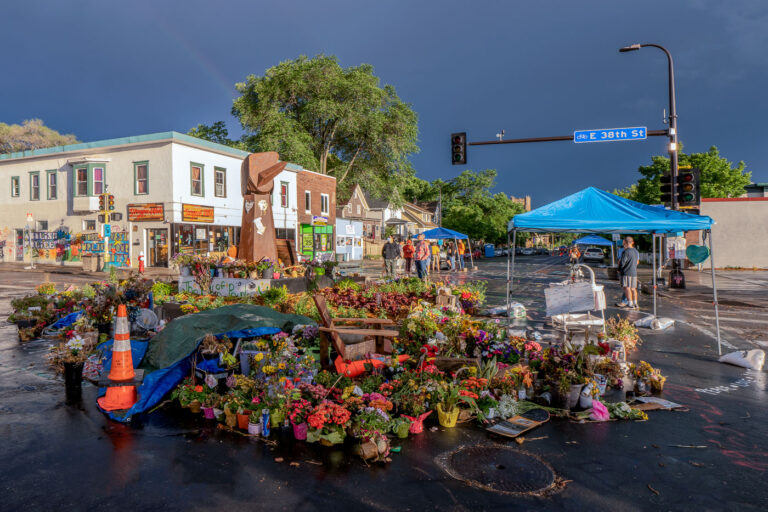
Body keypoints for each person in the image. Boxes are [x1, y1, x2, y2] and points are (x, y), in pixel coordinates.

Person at [617, 236, 640, 309]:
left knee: (627, 288)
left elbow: (622, 263)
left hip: (626, 272)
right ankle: (635, 303)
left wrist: (619, 269)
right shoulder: (636, 251)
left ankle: (630, 303)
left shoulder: (625, 251)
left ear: (624, 242)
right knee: (633, 288)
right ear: (632, 242)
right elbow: (637, 262)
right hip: (634, 272)